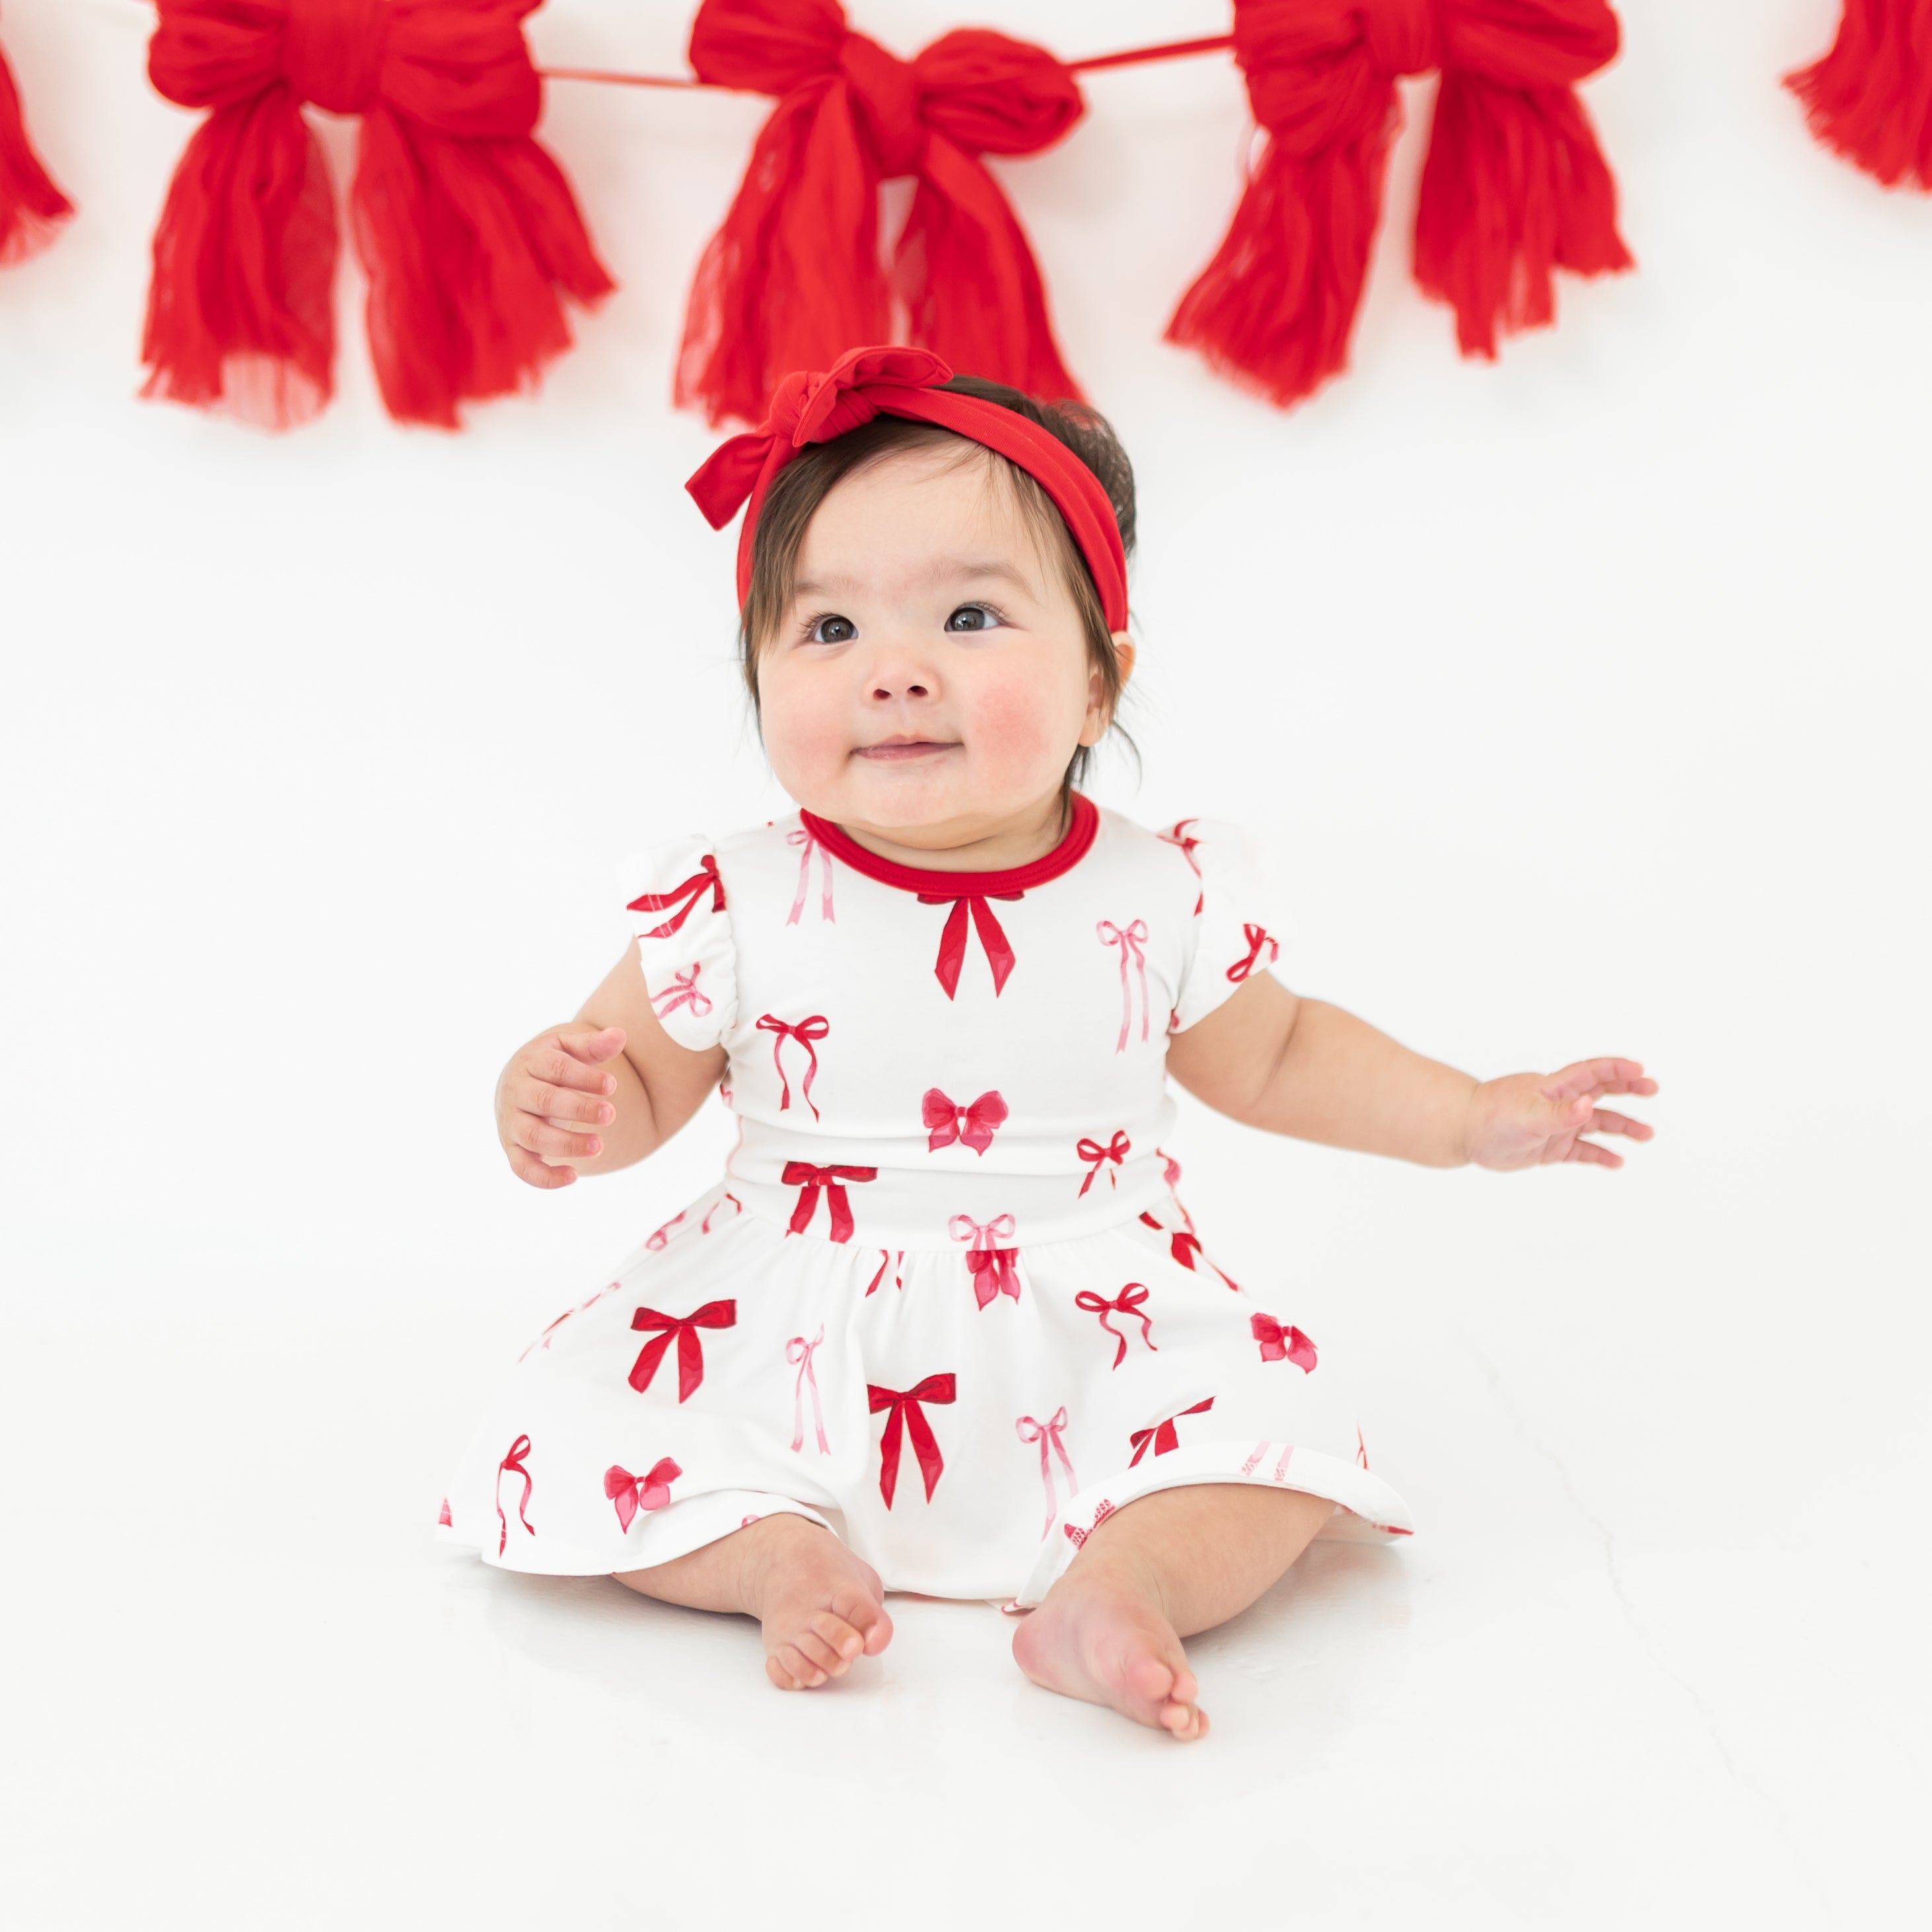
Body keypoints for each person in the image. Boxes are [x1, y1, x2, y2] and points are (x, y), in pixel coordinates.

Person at [438, 345, 1657, 1740]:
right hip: (784, 1321)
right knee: (565, 1414)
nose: (890, 673)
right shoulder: (734, 898)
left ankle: (1117, 1580)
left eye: (966, 615)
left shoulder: (1158, 891)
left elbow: (1275, 1053)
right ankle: (770, 1551)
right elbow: (636, 1074)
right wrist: (556, 1104)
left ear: (1098, 681)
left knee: (1280, 1420)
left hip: (1096, 1322)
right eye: (827, 632)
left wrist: (1467, 1114)